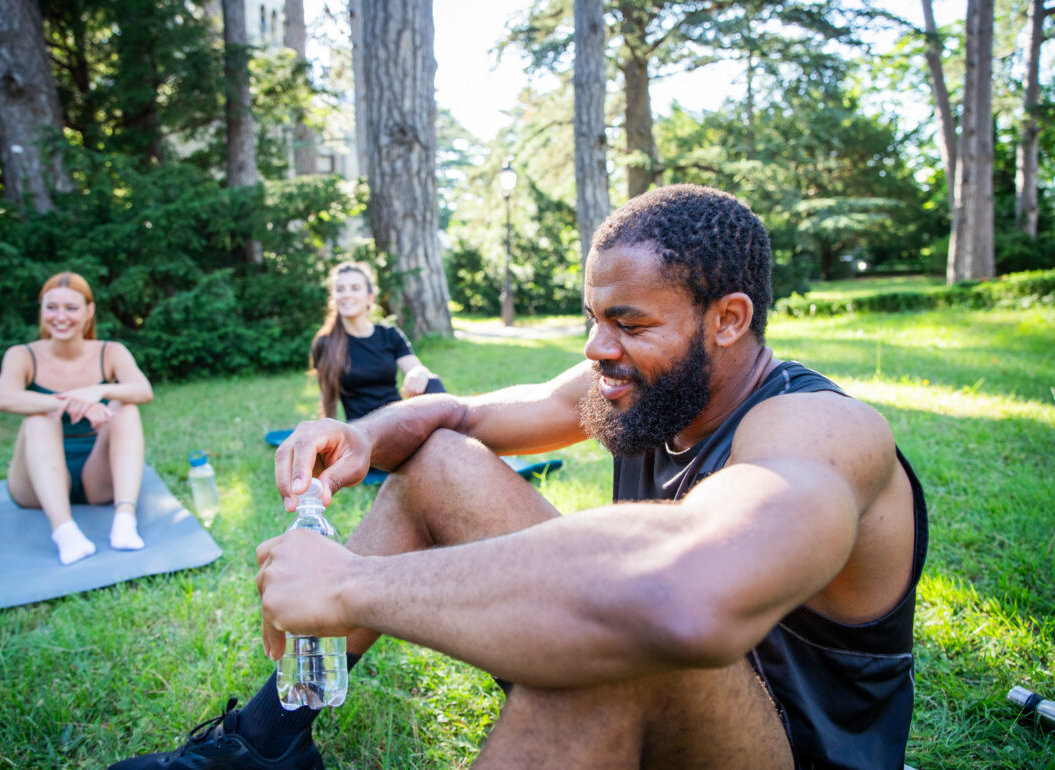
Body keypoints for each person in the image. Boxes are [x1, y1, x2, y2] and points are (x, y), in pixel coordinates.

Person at [110, 185, 927, 769]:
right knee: (440, 463)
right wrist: (361, 434)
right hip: (685, 679)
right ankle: (267, 739)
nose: (597, 349)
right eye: (593, 319)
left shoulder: (822, 431)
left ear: (729, 319)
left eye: (629, 322)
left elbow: (679, 601)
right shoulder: (646, 384)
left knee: (620, 642)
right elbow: (462, 418)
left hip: (779, 747)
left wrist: (352, 587)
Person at [0, 272, 154, 566]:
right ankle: (64, 531)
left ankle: (124, 520)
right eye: (51, 307)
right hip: (35, 482)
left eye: (71, 308)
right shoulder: (22, 355)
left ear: (89, 311)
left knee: (126, 407)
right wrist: (69, 403)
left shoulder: (111, 352)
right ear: (41, 310)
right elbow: (4, 398)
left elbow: (144, 391)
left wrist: (98, 390)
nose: (60, 317)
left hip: (97, 475)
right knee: (39, 419)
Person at [310, 261, 444, 422]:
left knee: (432, 381)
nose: (346, 294)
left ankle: (455, 430)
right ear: (334, 297)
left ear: (370, 297)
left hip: (397, 418)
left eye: (355, 288)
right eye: (340, 289)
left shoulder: (389, 334)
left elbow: (416, 369)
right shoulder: (325, 343)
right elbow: (327, 400)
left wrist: (419, 373)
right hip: (361, 428)